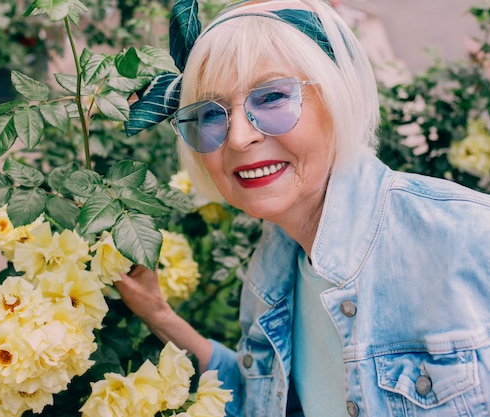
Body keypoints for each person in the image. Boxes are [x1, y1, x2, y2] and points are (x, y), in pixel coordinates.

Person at [114, 0, 490, 416]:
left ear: (336, 97)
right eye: (210, 114)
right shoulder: (273, 272)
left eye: (272, 96)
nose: (238, 138)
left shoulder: (468, 237)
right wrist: (158, 313)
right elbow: (258, 394)